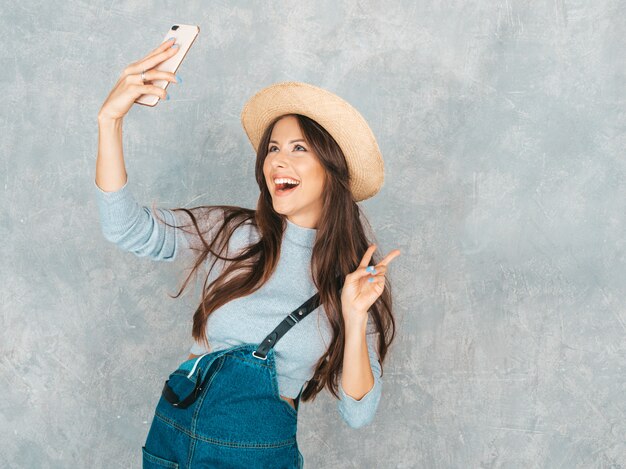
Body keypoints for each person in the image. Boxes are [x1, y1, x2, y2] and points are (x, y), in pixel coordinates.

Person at [95, 37, 401, 468]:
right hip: (172, 445)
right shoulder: (233, 232)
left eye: (298, 149)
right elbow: (125, 228)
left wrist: (353, 317)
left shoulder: (352, 284)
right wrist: (110, 121)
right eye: (273, 148)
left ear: (332, 169)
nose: (277, 161)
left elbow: (358, 412)